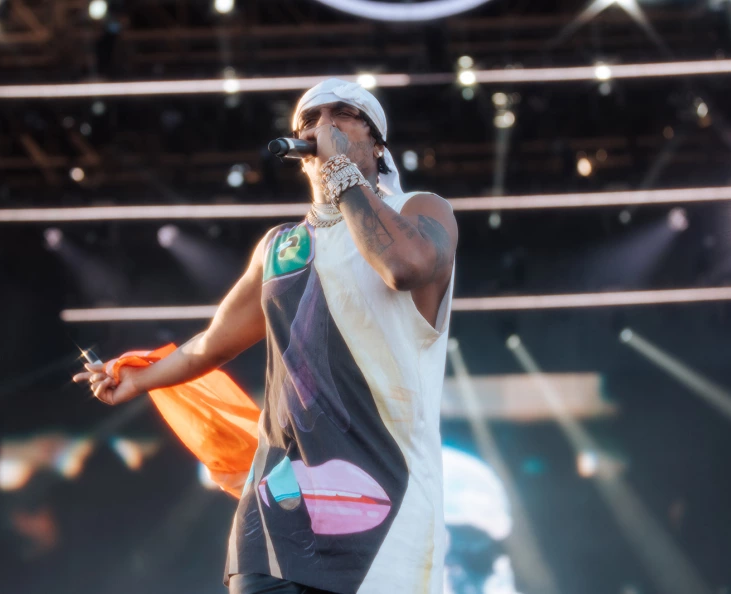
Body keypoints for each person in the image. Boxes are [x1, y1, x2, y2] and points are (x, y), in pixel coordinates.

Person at [73, 78, 458, 594]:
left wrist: (341, 172)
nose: (322, 127)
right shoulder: (280, 247)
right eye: (309, 120)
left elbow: (403, 267)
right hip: (278, 512)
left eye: (342, 114)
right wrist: (137, 378)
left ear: (377, 144)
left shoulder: (422, 210)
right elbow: (212, 343)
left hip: (387, 510)